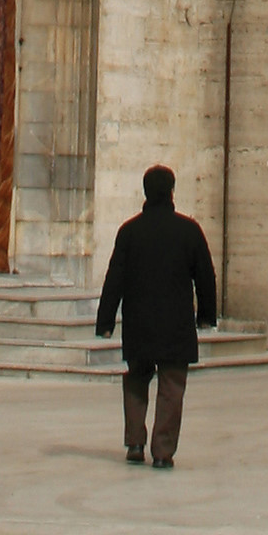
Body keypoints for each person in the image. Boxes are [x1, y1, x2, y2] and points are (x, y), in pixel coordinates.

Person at [95, 164, 217, 469]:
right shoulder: (189, 230)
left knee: (136, 379)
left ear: (146, 192)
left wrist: (106, 321)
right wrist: (206, 316)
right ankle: (162, 452)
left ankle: (135, 443)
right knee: (172, 387)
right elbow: (205, 276)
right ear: (172, 191)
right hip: (175, 323)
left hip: (139, 322)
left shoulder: (130, 231)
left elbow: (115, 279)